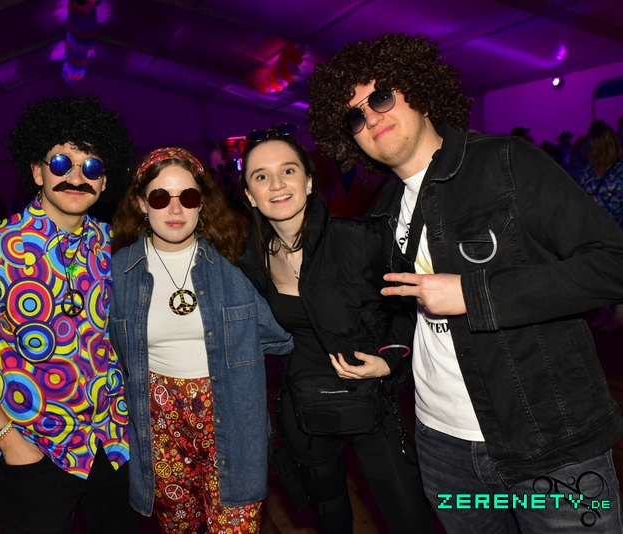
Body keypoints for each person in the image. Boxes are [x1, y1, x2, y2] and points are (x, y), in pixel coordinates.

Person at [308, 32, 623, 532]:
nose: (370, 117)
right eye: (354, 116)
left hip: (547, 444)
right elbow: (406, 316)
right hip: (443, 450)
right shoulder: (383, 212)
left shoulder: (506, 163)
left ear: (418, 91)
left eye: (381, 96)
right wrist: (390, 358)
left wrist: (474, 295)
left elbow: (612, 264)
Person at [0, 95, 138, 534]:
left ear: (104, 182)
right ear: (37, 171)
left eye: (92, 167)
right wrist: (9, 442)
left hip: (114, 444)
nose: (77, 177)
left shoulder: (113, 245)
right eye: (62, 163)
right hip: (38, 449)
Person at [238, 127, 432, 534]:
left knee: (409, 519)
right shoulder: (251, 263)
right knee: (331, 521)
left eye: (288, 170)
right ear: (250, 195)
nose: (277, 184)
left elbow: (408, 309)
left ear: (308, 181)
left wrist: (388, 360)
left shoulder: (360, 239)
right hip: (305, 410)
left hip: (370, 401)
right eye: (261, 176)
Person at [109, 147, 293, 533]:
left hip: (233, 418)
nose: (175, 209)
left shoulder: (235, 262)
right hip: (159, 426)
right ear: (142, 203)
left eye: (188, 197)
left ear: (202, 203)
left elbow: (283, 333)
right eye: (161, 197)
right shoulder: (118, 272)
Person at [578, 123, 623, 227]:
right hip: (590, 228)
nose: (593, 153)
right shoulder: (588, 170)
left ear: (607, 148)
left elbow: (620, 201)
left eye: (596, 150)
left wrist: (595, 199)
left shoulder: (620, 169)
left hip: (615, 229)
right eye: (591, 149)